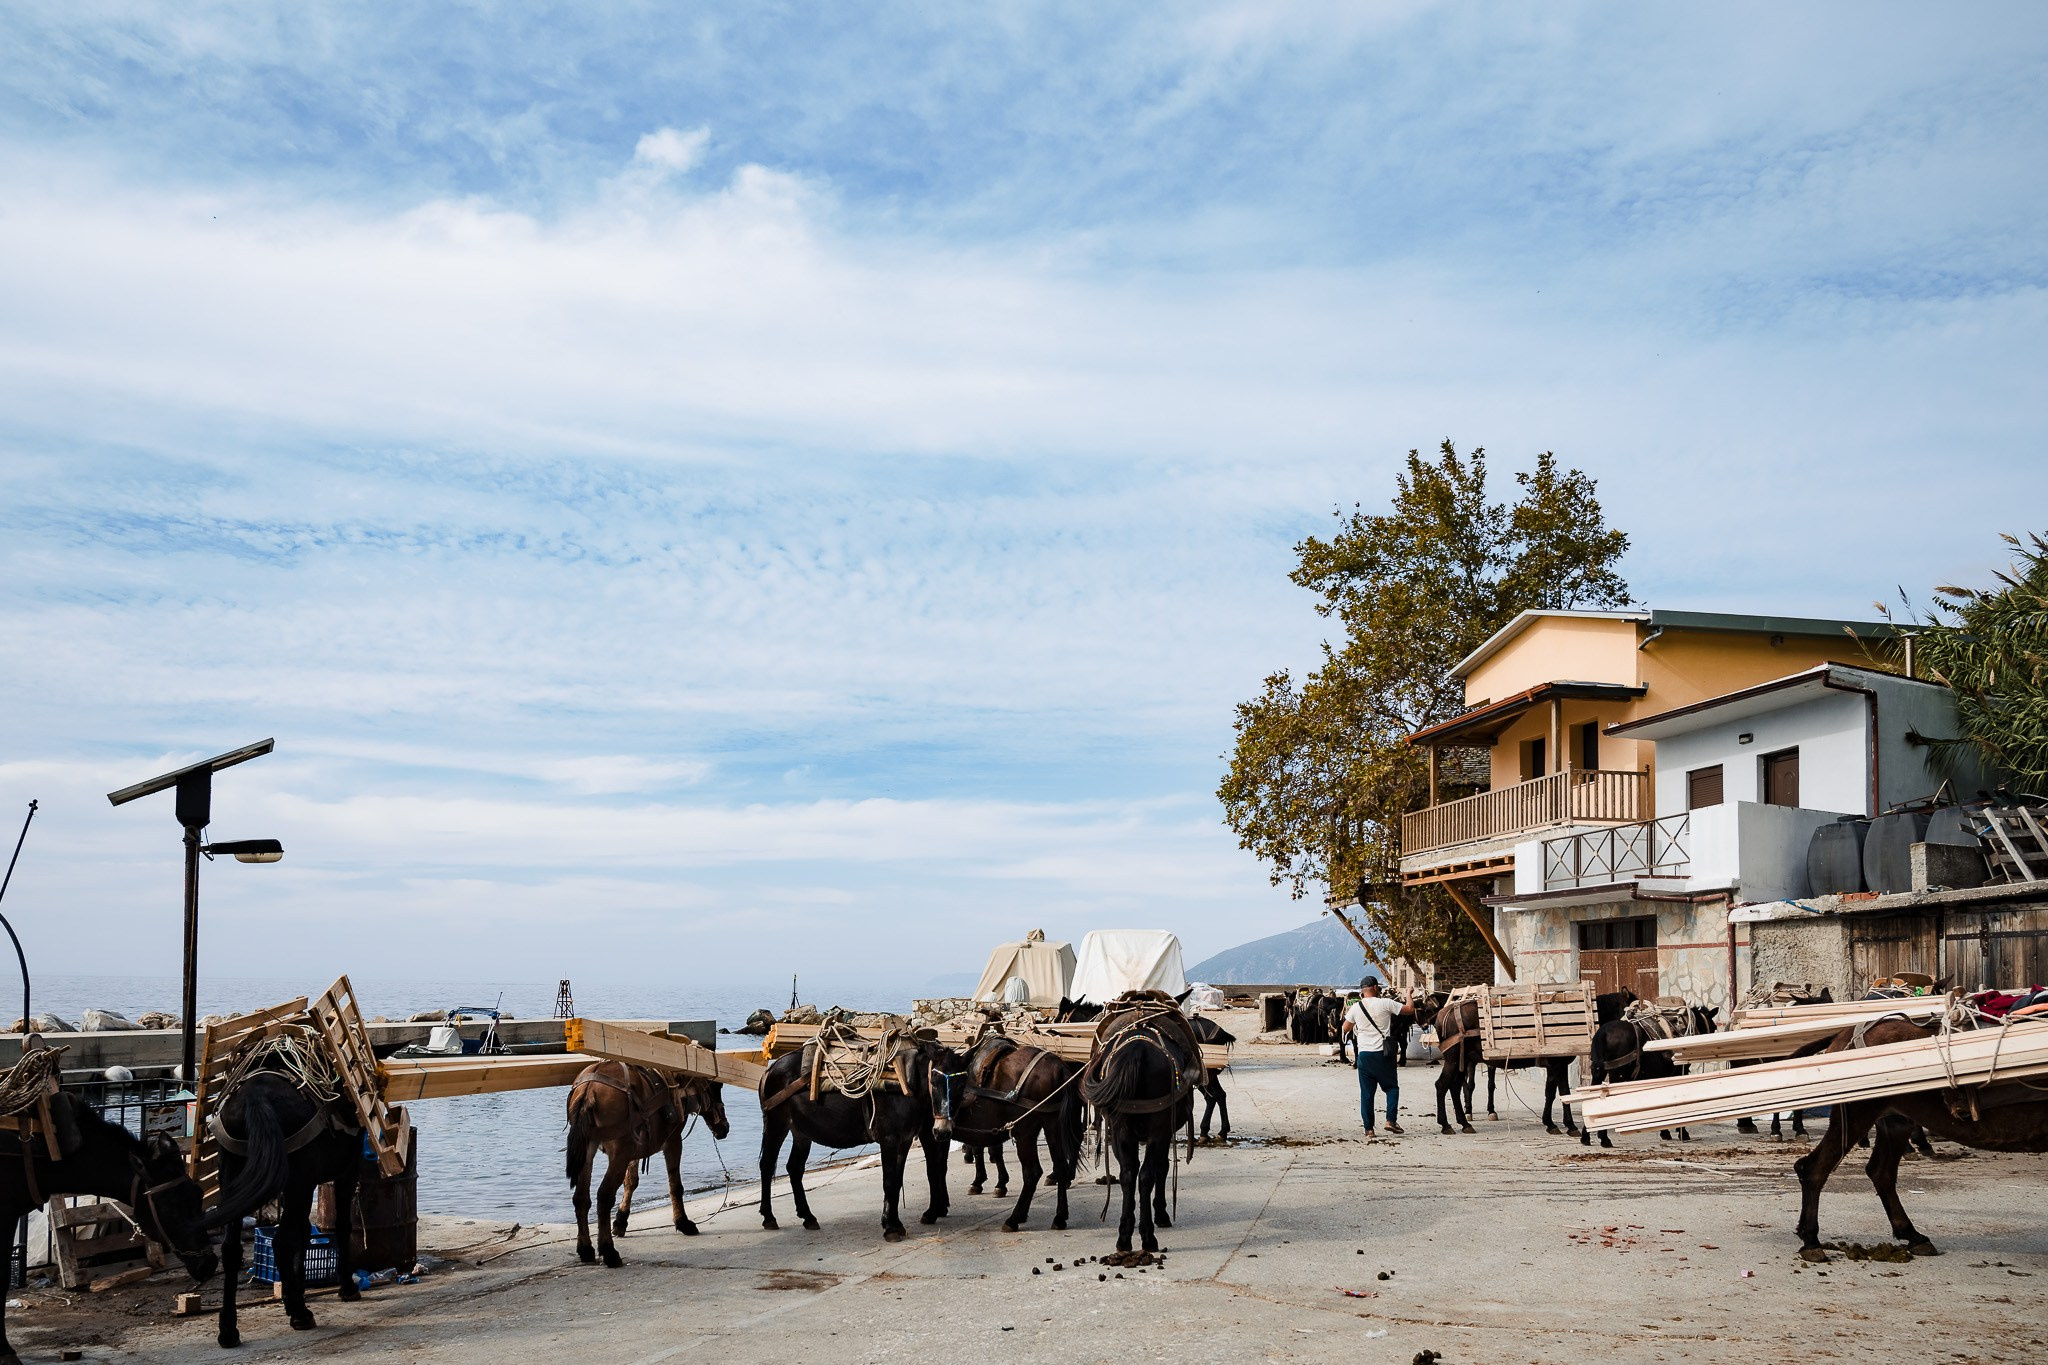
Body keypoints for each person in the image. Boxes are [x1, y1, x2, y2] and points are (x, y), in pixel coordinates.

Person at [1341, 976, 1414, 1136]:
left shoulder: (1356, 1007)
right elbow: (1409, 1010)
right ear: (1375, 987)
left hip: (1364, 1056)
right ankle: (1390, 1121)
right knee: (1392, 1088)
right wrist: (1409, 994)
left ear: (1362, 990)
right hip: (1384, 1054)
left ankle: (1369, 1130)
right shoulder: (1386, 1003)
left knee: (1367, 1094)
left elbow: (1345, 1028)